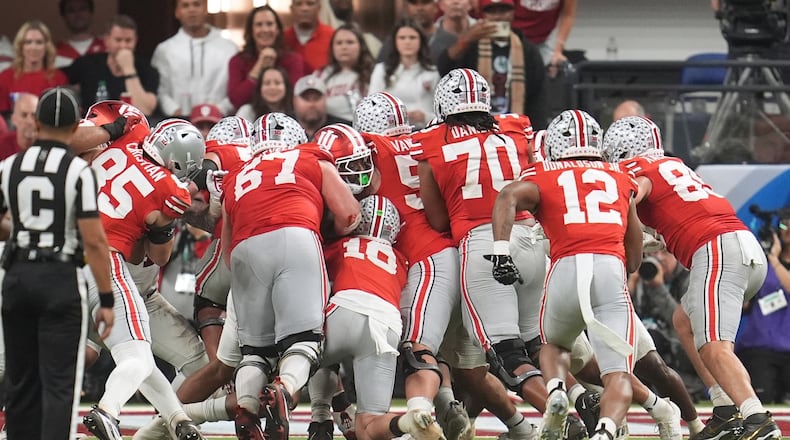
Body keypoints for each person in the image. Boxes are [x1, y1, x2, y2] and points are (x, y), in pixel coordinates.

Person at [603, 115, 782, 440]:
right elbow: (673, 223)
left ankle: (757, 418)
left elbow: (630, 196)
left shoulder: (635, 171)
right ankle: (725, 407)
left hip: (717, 250)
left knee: (714, 346)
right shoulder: (675, 165)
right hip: (743, 246)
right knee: (683, 321)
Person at [412, 68, 553, 436]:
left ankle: (563, 418)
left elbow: (439, 218)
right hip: (532, 238)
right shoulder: (515, 128)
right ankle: (582, 402)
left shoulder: (431, 141)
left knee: (507, 355)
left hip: (485, 242)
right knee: (538, 341)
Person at [489, 108, 643, 440]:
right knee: (617, 372)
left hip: (565, 269)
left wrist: (501, 250)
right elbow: (634, 253)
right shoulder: (619, 176)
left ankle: (558, 389)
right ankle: (606, 431)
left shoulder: (543, 173)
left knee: (553, 345)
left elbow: (507, 197)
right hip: (608, 270)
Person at [221, 112, 360, 439]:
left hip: (244, 252)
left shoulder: (236, 176)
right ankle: (284, 389)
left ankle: (246, 409)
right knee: (306, 341)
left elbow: (228, 253)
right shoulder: (309, 156)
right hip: (296, 235)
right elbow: (350, 214)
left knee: (255, 352)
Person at [0, 87, 114, 440]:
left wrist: (23, 229)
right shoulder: (78, 172)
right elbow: (94, 240)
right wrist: (107, 299)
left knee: (20, 380)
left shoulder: (8, 166)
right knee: (60, 383)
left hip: (17, 275)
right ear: (73, 126)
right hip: (59, 278)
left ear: (36, 122)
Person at [80, 118, 206, 440]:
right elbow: (158, 256)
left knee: (136, 353)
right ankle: (108, 410)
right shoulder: (171, 189)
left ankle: (177, 418)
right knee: (135, 352)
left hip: (60, 255)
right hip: (102, 259)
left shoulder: (125, 139)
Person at [312, 194, 445, 440]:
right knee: (368, 426)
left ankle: (320, 415)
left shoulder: (338, 247)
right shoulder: (401, 258)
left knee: (296, 353)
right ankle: (406, 422)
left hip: (345, 310)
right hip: (386, 325)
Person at [438, 0, 548, 129]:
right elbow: (444, 70)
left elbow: (538, 96)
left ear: (513, 13)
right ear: (483, 15)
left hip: (516, 126)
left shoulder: (527, 50)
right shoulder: (473, 47)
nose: (498, 16)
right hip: (477, 126)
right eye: (491, 11)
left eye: (503, 11)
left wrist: (535, 131)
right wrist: (466, 39)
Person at [735, 209, 790, 403]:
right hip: (761, 347)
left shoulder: (772, 262)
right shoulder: (762, 263)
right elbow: (745, 304)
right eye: (784, 224)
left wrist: (774, 260)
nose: (787, 229)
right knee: (762, 399)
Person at [152, 0, 237, 117]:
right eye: (185, 5)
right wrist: (175, 112)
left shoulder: (229, 48)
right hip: (179, 122)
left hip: (220, 122)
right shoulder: (165, 50)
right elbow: (160, 89)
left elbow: (236, 88)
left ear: (206, 8)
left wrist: (219, 110)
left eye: (197, 4)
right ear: (177, 12)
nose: (191, 10)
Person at [63, 15, 158, 116]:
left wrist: (129, 70)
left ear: (136, 41)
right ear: (106, 40)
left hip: (132, 127)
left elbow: (145, 110)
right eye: (118, 40)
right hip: (93, 127)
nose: (123, 46)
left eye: (128, 40)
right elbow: (56, 78)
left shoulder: (147, 69)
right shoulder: (86, 63)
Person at [227, 5, 311, 110]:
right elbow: (236, 100)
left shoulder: (293, 59)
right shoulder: (237, 61)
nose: (265, 29)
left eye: (269, 24)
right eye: (259, 25)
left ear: (277, 29)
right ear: (251, 30)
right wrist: (259, 66)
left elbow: (295, 97)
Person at [370, 19, 439, 129]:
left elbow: (440, 113)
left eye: (412, 37)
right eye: (402, 38)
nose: (407, 42)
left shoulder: (432, 72)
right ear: (395, 42)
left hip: (424, 130)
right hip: (391, 133)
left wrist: (425, 117)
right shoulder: (381, 70)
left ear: (421, 41)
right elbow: (371, 108)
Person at [0, 20, 68, 114]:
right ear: (21, 46)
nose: (34, 47)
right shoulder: (5, 77)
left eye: (39, 42)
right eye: (28, 42)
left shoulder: (58, 78)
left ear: (46, 46)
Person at [319, 24, 375, 123]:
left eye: (350, 42)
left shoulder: (374, 74)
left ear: (361, 46)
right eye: (339, 43)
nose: (344, 47)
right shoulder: (321, 75)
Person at [510, 0, 577, 67]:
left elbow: (568, 16)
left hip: (540, 42)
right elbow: (503, 11)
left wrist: (558, 51)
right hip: (512, 38)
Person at [293, 73, 350, 140]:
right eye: (306, 99)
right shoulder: (284, 128)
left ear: (325, 99)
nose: (311, 104)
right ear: (294, 100)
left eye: (316, 98)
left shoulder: (342, 130)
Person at [284, 0, 336, 72]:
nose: (304, 8)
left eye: (310, 3)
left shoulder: (332, 36)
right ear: (291, 9)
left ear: (319, 8)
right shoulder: (283, 38)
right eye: (299, 4)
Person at [55, 0, 106, 68]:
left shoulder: (107, 47)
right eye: (71, 11)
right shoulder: (55, 52)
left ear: (91, 13)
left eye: (82, 9)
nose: (78, 14)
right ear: (64, 16)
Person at [0, 92, 37, 159]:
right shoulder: (2, 145)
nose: (29, 121)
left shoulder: (49, 145)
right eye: (24, 115)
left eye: (33, 115)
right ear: (14, 119)